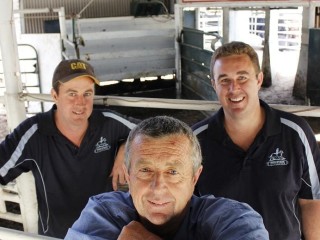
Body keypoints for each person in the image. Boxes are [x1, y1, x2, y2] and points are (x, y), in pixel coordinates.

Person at [192, 41, 320, 240]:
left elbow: (312, 201)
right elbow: (183, 206)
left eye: (242, 77)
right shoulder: (194, 140)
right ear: (213, 83)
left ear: (259, 79)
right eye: (224, 80)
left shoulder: (296, 133)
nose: (234, 88)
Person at [65, 115, 269, 240]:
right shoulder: (103, 213)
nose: (158, 187)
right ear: (128, 175)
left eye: (172, 172)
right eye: (145, 170)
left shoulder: (234, 219)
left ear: (194, 178)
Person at [0, 59, 138, 238]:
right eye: (72, 94)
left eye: (87, 94)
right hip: (59, 236)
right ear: (55, 96)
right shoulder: (34, 133)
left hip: (107, 233)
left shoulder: (108, 122)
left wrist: (126, 146)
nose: (81, 103)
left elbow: (154, 131)